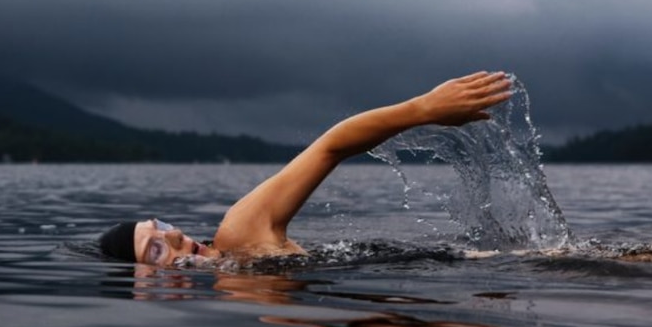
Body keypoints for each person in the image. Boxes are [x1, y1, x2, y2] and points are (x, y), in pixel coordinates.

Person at [99, 71, 513, 267]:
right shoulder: (234, 294)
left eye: (162, 225)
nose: (173, 234)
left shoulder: (239, 235)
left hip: (484, 265)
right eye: (155, 248)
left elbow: (330, 147)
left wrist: (422, 109)